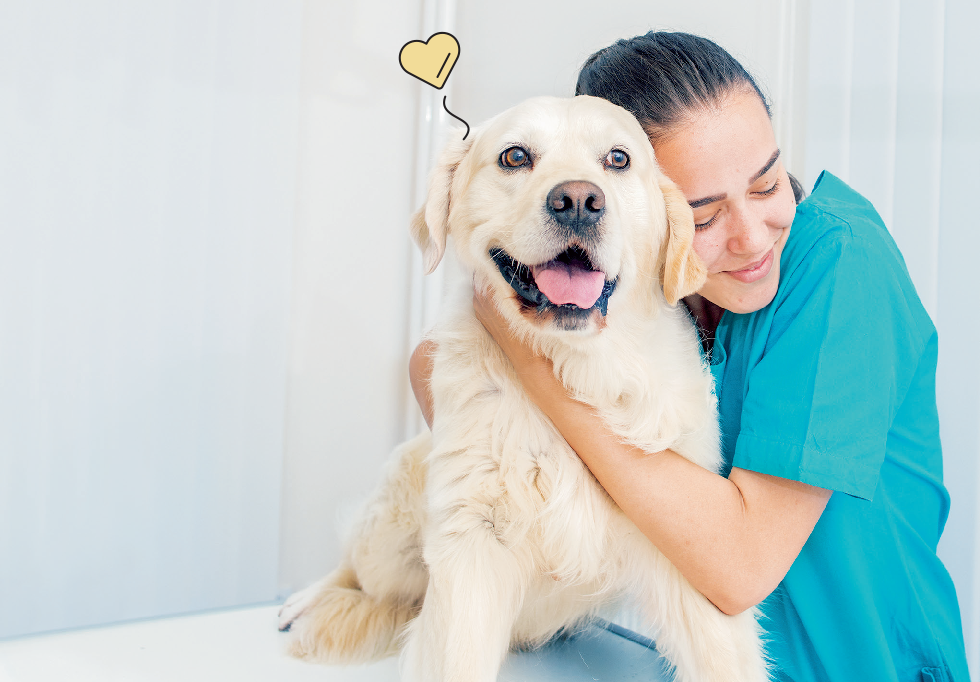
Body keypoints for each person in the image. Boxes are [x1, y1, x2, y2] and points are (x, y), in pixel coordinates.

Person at [410, 31, 970, 682]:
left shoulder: (842, 266)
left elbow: (738, 567)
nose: (753, 237)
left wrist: (528, 361)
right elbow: (428, 363)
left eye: (767, 184)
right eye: (702, 217)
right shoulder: (644, 285)